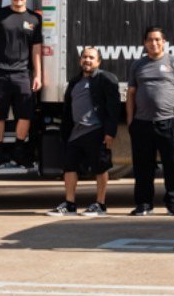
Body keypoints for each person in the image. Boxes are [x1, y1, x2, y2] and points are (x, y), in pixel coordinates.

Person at [0, 0, 43, 173]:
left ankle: (18, 152)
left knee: (25, 115)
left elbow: (36, 50)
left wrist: (38, 75)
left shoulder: (34, 19)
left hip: (23, 74)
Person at [48, 46, 120, 217]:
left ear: (98, 62)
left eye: (91, 57)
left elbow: (114, 108)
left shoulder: (106, 79)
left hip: (96, 130)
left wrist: (110, 132)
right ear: (80, 60)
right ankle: (70, 204)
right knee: (69, 167)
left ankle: (100, 205)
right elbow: (68, 108)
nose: (87, 60)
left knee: (100, 167)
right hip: (75, 132)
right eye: (84, 57)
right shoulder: (74, 81)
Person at [126, 26, 174, 216]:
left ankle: (173, 203)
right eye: (149, 40)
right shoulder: (137, 65)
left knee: (171, 166)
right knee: (142, 167)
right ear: (144, 43)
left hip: (167, 122)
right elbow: (131, 94)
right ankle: (144, 204)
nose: (153, 43)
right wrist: (130, 120)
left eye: (157, 39)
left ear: (164, 42)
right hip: (142, 123)